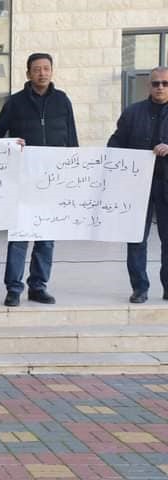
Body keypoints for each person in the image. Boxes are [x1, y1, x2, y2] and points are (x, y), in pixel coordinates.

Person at [0, 52, 78, 307]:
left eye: (46, 68)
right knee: (19, 237)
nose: (42, 73)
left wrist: (73, 171)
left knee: (46, 238)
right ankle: (13, 289)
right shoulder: (15, 102)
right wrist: (11, 144)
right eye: (37, 69)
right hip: (22, 180)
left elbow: (72, 138)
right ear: (28, 73)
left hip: (53, 180)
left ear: (52, 71)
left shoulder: (62, 101)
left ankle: (38, 286)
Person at [108, 66, 168, 303]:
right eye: (156, 83)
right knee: (135, 238)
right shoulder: (132, 112)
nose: (160, 87)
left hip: (166, 184)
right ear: (148, 86)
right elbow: (115, 143)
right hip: (137, 186)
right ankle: (139, 288)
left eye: (165, 83)